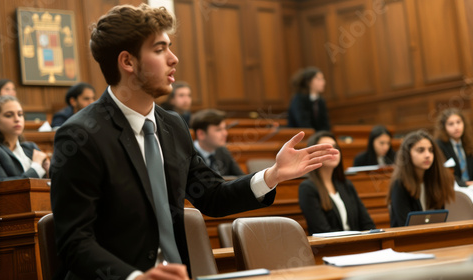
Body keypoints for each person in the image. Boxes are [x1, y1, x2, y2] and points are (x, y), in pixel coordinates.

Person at [49, 4, 338, 280]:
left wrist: (273, 175)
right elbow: (75, 243)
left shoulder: (172, 125)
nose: (174, 58)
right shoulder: (81, 135)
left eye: (169, 47)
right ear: (127, 61)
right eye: (160, 49)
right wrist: (137, 278)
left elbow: (211, 196)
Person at [299, 131, 375, 235]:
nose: (333, 151)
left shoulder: (346, 185)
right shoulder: (307, 188)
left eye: (335, 147)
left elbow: (367, 223)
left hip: (357, 244)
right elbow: (322, 231)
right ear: (313, 154)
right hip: (331, 249)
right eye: (326, 149)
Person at [388, 130, 454, 227]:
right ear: (408, 154)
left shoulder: (435, 180)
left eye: (431, 150)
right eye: (421, 150)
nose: (428, 155)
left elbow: (439, 221)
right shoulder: (399, 185)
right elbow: (404, 226)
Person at [0, 96, 50, 182]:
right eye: (9, 115)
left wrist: (49, 171)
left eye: (20, 114)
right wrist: (36, 167)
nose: (17, 119)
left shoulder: (31, 147)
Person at [434, 108, 473, 194]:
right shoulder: (440, 146)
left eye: (458, 122)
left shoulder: (468, 143)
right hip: (454, 190)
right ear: (444, 127)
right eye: (451, 124)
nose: (456, 127)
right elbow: (445, 175)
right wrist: (468, 185)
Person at [190, 109, 244, 176]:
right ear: (201, 134)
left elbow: (240, 177)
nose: (225, 133)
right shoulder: (189, 156)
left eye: (224, 128)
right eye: (218, 130)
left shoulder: (222, 151)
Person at [287, 67, 331, 131]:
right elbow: (303, 124)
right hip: (300, 137)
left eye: (323, 79)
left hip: (317, 137)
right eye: (319, 79)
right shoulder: (299, 99)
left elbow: (325, 124)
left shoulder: (321, 101)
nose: (323, 82)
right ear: (309, 82)